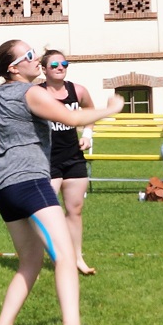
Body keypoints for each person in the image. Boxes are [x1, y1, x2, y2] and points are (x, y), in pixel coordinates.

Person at [0, 39, 122, 325]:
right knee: (65, 255)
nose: (37, 59)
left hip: (3, 188)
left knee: (31, 262)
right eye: (30, 55)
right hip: (30, 182)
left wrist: (1, 148)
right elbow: (72, 119)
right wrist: (112, 108)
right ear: (14, 67)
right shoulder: (31, 92)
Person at [39, 50, 97, 275]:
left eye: (64, 63)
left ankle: (77, 258)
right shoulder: (37, 93)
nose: (60, 67)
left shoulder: (77, 90)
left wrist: (87, 134)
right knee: (45, 212)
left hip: (73, 157)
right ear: (44, 69)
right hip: (46, 159)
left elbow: (90, 111)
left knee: (75, 209)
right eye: (54, 65)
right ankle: (50, 259)